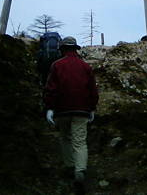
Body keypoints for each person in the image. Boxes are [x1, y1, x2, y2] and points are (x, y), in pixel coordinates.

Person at [43, 36, 98, 190]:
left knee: (65, 138)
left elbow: (50, 90)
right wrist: (92, 108)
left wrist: (49, 108)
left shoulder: (56, 66)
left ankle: (69, 166)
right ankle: (80, 171)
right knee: (80, 141)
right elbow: (93, 90)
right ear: (75, 49)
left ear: (62, 49)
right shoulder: (85, 67)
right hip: (82, 111)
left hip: (61, 110)